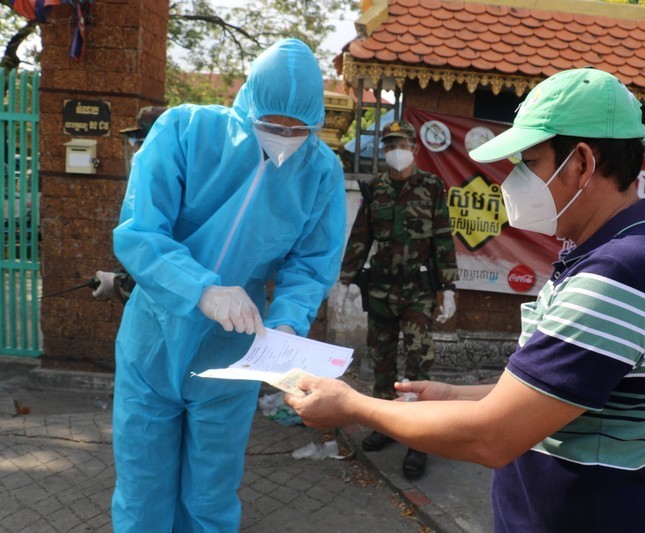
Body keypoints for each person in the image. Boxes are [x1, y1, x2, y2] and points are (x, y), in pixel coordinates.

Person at [287, 67, 645, 531]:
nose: (514, 181)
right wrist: (456, 394)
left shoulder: (618, 275)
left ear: (582, 163)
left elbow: (493, 437)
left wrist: (351, 406)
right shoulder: (629, 253)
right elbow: (561, 396)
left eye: (529, 162)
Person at [111, 38, 346, 532]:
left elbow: (311, 263)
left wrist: (286, 323)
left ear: (316, 122)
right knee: (142, 492)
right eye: (271, 124)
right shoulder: (186, 130)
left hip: (233, 351)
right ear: (247, 105)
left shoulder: (320, 171)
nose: (284, 137)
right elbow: (139, 232)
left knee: (212, 496)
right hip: (153, 340)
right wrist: (201, 288)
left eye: (297, 128)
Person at [334, 120, 459, 479]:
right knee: (382, 360)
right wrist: (344, 283)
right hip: (382, 291)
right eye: (390, 145)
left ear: (415, 149)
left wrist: (448, 288)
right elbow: (361, 238)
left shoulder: (432, 187)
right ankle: (386, 425)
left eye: (402, 143)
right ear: (384, 151)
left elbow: (442, 238)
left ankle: (419, 439)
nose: (396, 150)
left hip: (418, 293)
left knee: (419, 362)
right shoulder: (375, 190)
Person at [92, 107, 168, 304]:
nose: (134, 149)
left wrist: (117, 283)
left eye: (139, 142)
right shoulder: (150, 189)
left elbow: (165, 276)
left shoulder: (166, 194)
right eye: (133, 142)